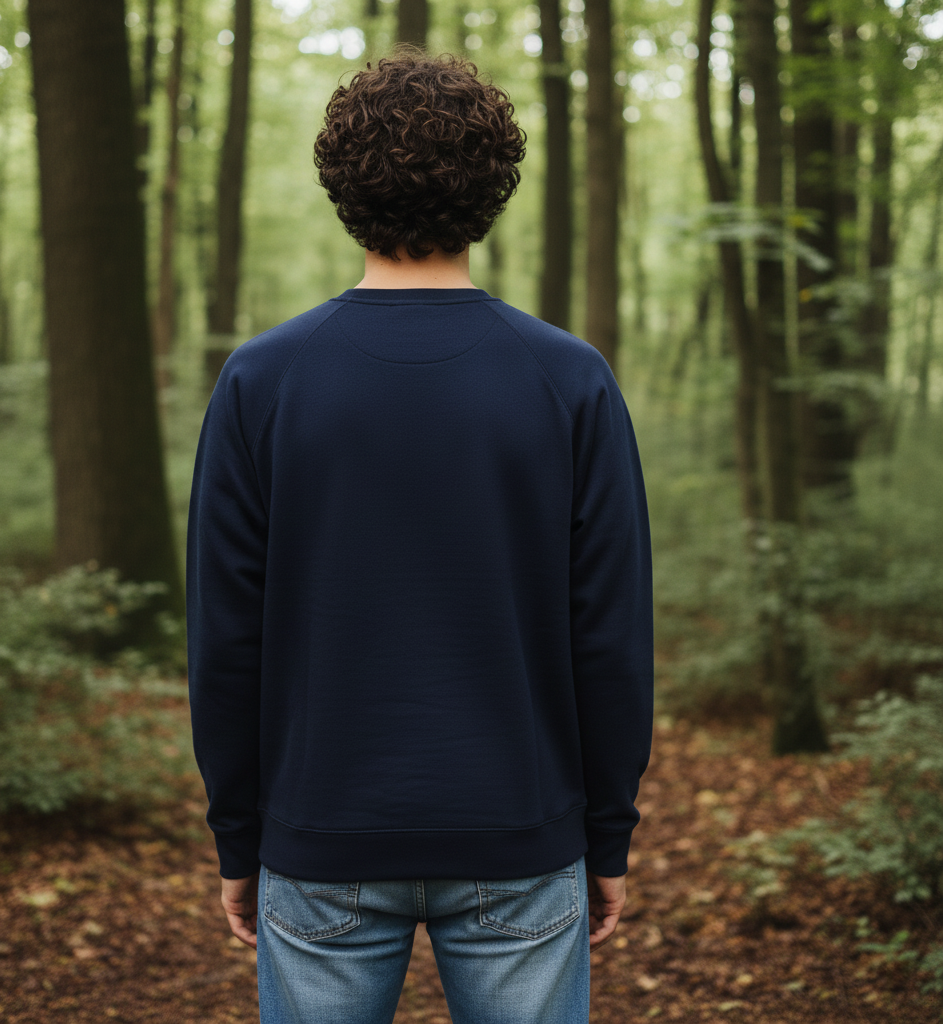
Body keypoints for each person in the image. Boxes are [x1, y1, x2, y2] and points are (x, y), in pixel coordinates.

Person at [187, 51, 653, 1024]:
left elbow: (224, 640)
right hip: (522, 838)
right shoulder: (568, 379)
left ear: (340, 185)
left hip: (319, 839)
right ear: (494, 186)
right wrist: (606, 834)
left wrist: (240, 837)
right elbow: (610, 636)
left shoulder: (262, 381)